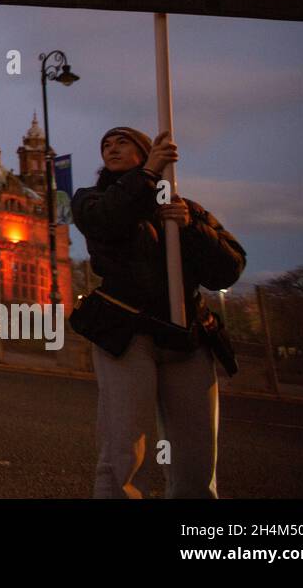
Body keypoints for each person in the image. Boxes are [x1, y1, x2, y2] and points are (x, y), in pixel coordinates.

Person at [72, 126, 245, 498]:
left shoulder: (185, 209)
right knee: (125, 453)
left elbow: (228, 269)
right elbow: (108, 220)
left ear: (145, 150)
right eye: (105, 144)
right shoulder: (91, 199)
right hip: (127, 334)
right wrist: (148, 174)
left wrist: (192, 228)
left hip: (188, 335)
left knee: (196, 461)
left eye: (122, 142)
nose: (111, 148)